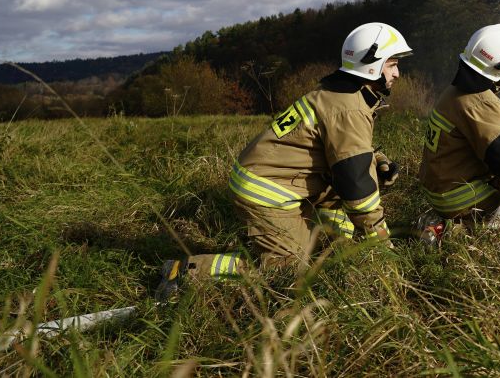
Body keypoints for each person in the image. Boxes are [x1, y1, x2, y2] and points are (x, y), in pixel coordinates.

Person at [155, 22, 411, 300]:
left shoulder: (338, 95)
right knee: (287, 270)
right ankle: (186, 271)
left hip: (275, 178)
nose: (397, 73)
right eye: (392, 64)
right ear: (372, 64)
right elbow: (357, 189)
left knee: (329, 230)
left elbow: (337, 148)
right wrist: (381, 241)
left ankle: (320, 243)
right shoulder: (347, 108)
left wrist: (374, 160)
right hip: (268, 191)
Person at [416, 23, 500, 243]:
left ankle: (445, 222)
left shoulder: (453, 93)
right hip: (458, 196)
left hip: (441, 189)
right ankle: (452, 232)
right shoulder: (480, 102)